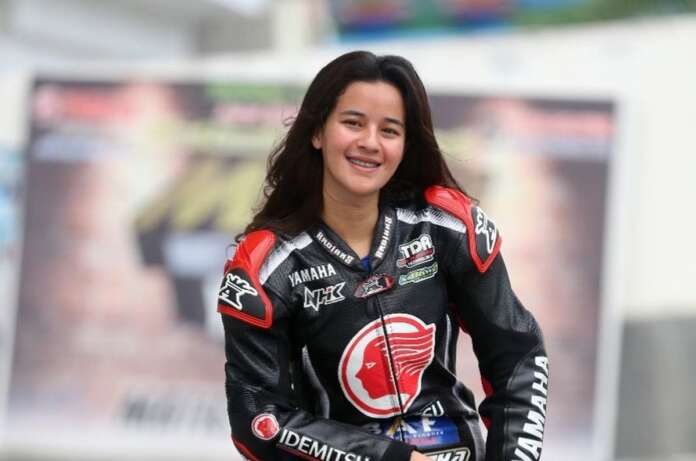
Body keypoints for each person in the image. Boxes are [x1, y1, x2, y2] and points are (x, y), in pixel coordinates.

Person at [218, 51, 549, 461]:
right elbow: (258, 421)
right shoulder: (267, 267)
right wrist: (391, 458)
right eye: (353, 123)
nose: (370, 143)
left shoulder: (446, 225)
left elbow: (519, 354)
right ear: (317, 132)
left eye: (389, 130)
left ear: (406, 145)